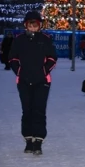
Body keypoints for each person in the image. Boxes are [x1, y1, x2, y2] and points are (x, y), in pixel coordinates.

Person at [8, 11, 57, 155]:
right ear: (26, 25)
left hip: (42, 81)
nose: (33, 27)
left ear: (39, 26)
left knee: (39, 111)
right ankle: (28, 139)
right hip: (23, 81)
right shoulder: (19, 40)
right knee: (27, 110)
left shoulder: (45, 39)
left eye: (36, 25)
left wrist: (44, 71)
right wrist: (19, 71)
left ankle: (39, 140)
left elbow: (52, 58)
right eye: (31, 25)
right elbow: (12, 58)